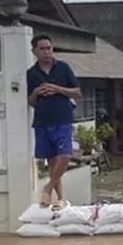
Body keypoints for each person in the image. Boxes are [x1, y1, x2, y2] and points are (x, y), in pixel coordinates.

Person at [26, 34, 81, 210]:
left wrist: (57, 89)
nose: (47, 52)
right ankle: (61, 199)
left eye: (49, 48)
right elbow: (31, 102)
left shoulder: (63, 68)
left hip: (62, 118)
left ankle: (47, 188)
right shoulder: (31, 73)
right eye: (42, 49)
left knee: (64, 155)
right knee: (51, 161)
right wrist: (37, 92)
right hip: (42, 120)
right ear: (34, 51)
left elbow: (77, 92)